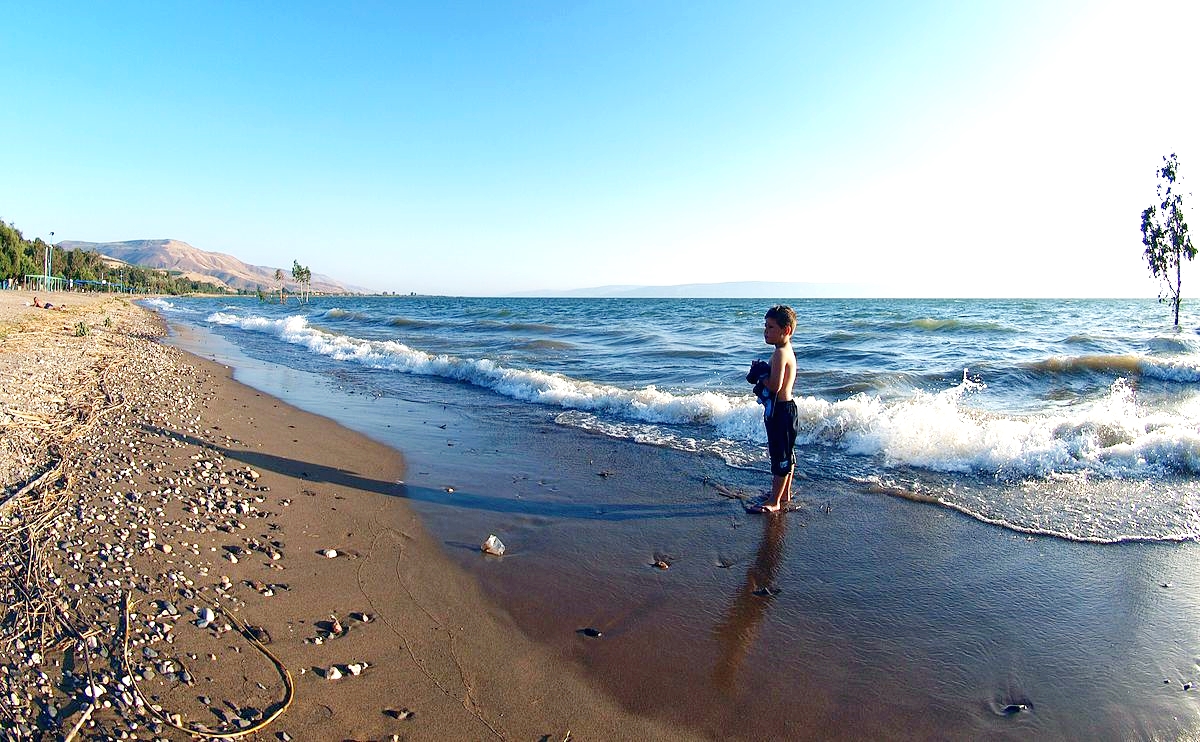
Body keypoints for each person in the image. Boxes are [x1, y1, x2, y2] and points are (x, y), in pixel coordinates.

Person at [748, 305, 798, 514]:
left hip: (780, 411)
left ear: (786, 330)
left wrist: (760, 376)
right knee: (787, 454)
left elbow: (775, 385)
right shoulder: (784, 350)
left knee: (780, 456)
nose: (766, 331)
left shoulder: (779, 353)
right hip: (787, 409)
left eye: (770, 327)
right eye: (765, 326)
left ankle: (774, 500)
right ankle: (784, 493)